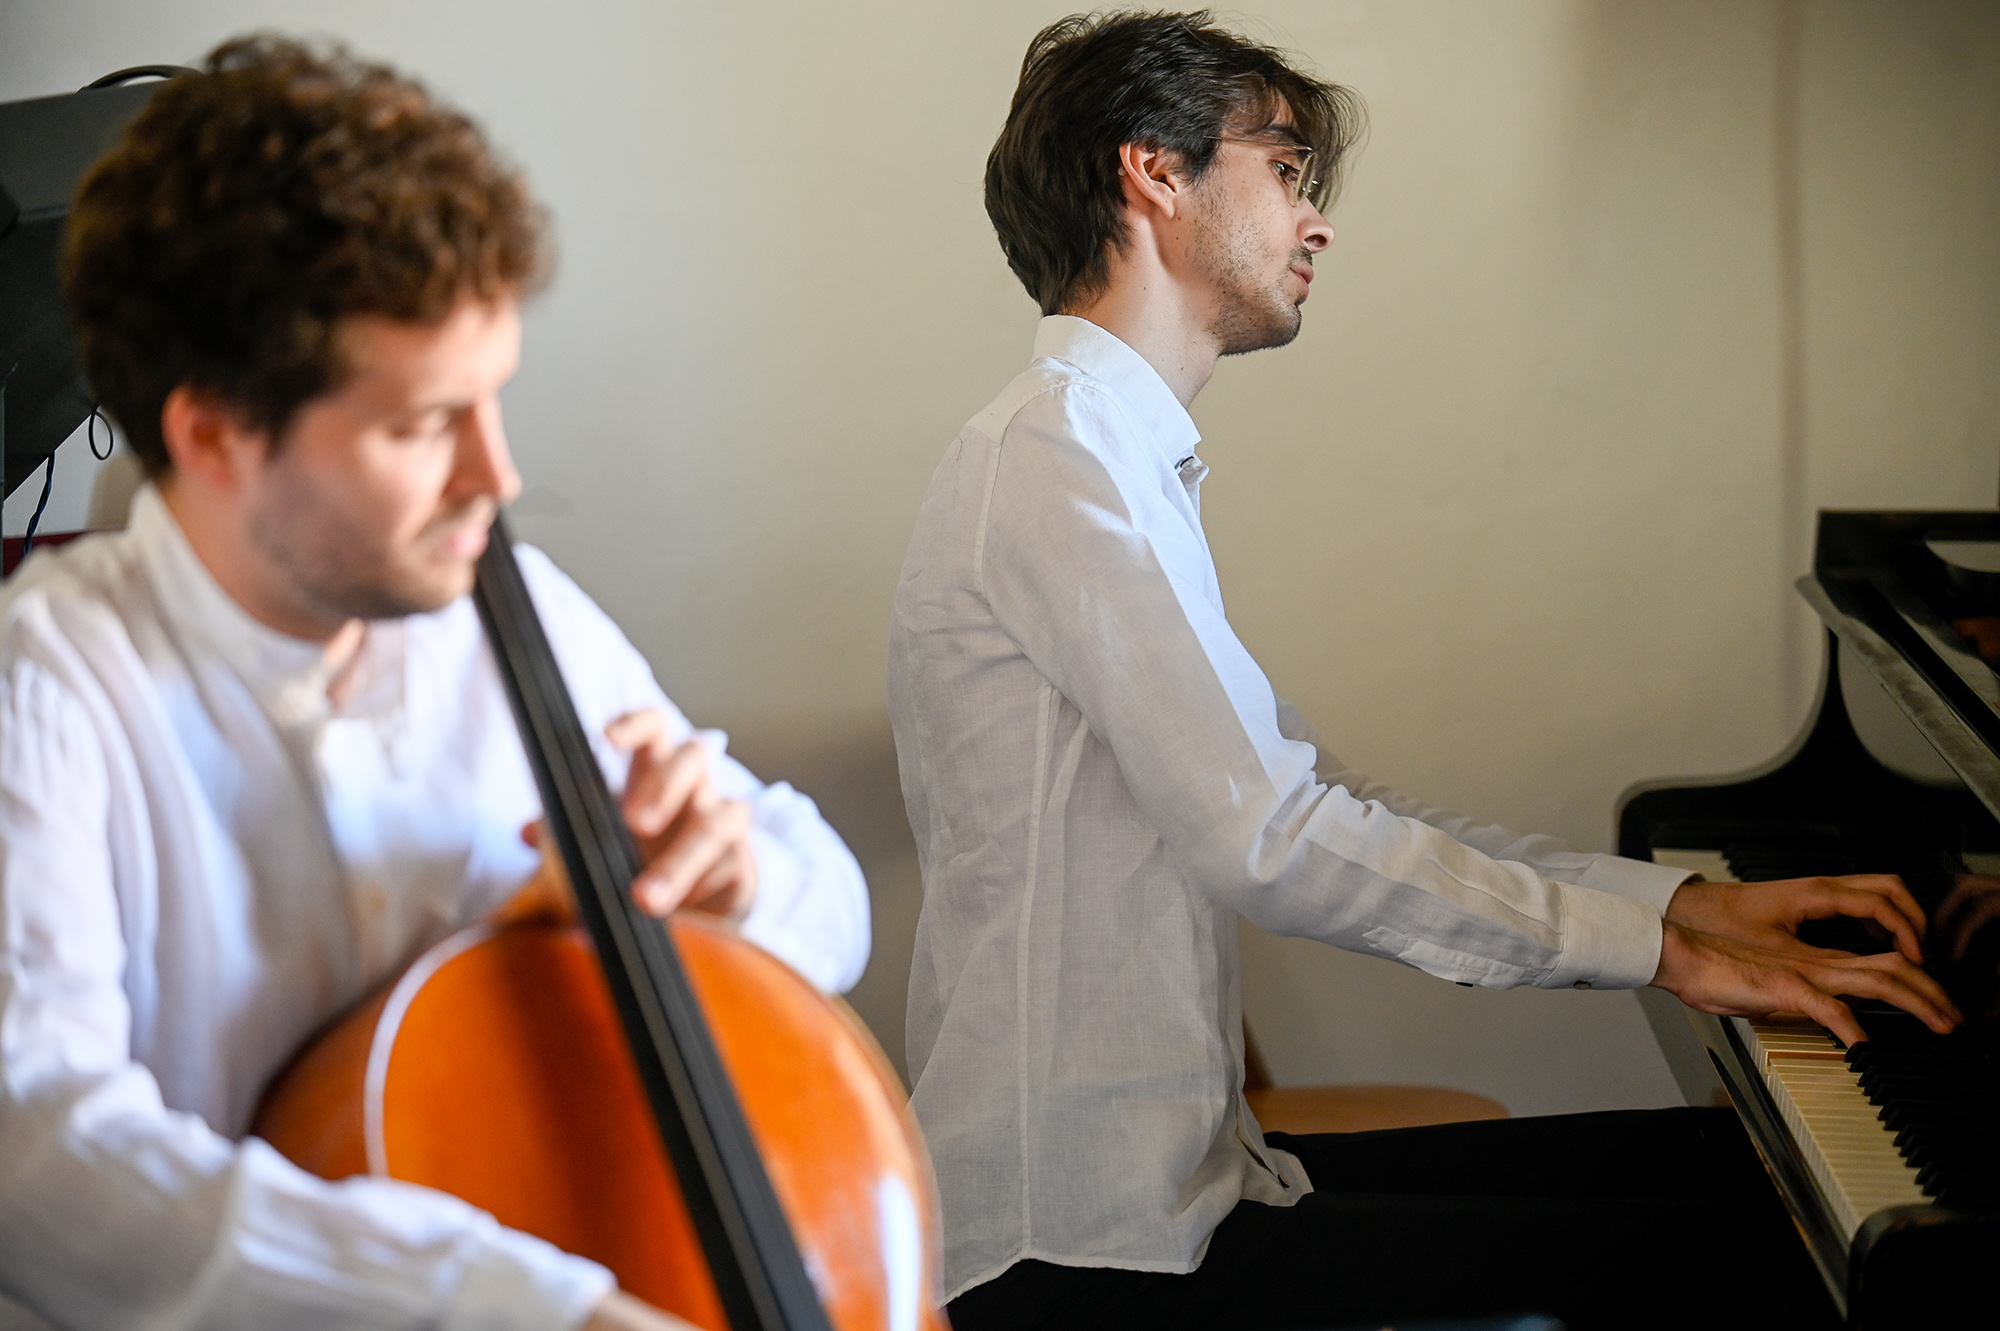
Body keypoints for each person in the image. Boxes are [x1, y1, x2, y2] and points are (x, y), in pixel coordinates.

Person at [887, 12, 1962, 1330]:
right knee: (1749, 1259)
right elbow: (1273, 842)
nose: (1317, 222)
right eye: (1285, 169)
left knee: (1733, 1179)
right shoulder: (1055, 460)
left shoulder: (1105, 457)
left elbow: (1325, 801)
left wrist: (1683, 906)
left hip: (1185, 1187)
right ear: (1154, 172)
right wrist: (1658, 956)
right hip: (1078, 1250)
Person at [0, 38, 869, 1331]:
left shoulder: (510, 609)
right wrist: (516, 1309)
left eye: (493, 398)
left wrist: (742, 885)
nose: (495, 477)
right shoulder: (49, 684)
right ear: (216, 435)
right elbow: (39, 1151)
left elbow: (831, 899)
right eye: (421, 424)